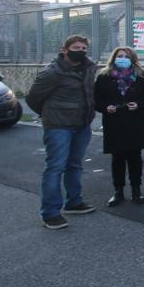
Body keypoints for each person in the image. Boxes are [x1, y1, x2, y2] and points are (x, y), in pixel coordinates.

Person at [27, 35, 98, 229]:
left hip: (81, 125)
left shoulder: (88, 69)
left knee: (74, 165)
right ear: (64, 49)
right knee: (55, 168)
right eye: (76, 47)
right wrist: (50, 115)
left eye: (84, 48)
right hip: (59, 126)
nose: (81, 51)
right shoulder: (53, 72)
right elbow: (33, 99)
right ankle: (50, 213)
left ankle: (74, 202)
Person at [94, 46, 144, 207]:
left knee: (135, 158)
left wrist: (138, 104)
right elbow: (96, 100)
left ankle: (136, 191)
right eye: (119, 56)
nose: (122, 58)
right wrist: (105, 108)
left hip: (135, 121)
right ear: (114, 58)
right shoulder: (104, 77)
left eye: (126, 56)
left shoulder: (142, 76)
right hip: (114, 122)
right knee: (117, 159)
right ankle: (118, 191)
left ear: (133, 59)